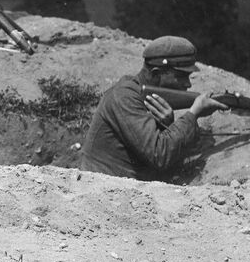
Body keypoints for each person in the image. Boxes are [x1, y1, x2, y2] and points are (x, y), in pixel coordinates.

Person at [79, 35, 228, 181]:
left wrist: (167, 126)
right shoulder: (124, 97)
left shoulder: (136, 93)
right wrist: (193, 114)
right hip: (101, 187)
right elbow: (159, 156)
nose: (188, 84)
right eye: (181, 76)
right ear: (157, 73)